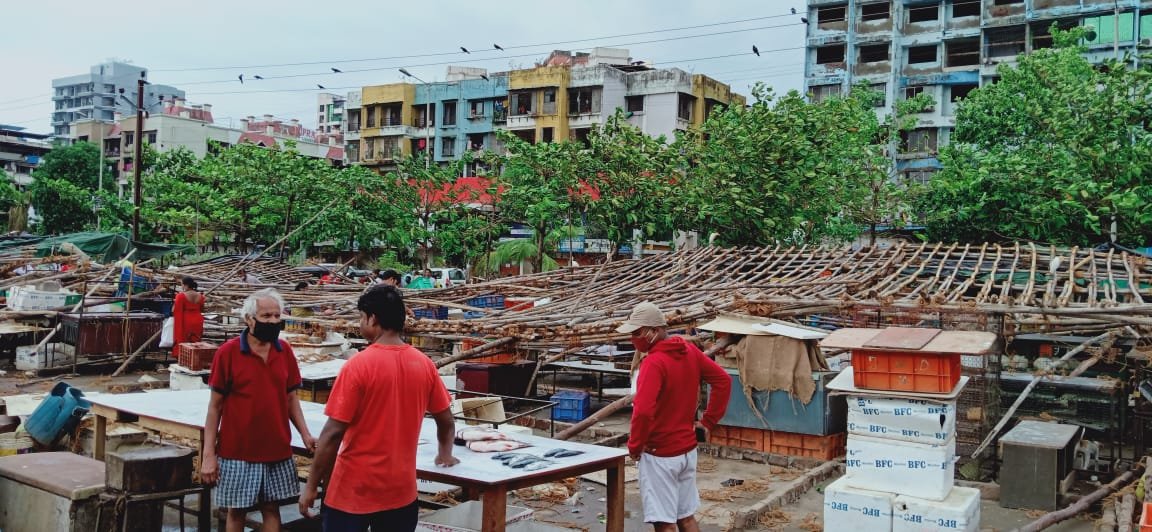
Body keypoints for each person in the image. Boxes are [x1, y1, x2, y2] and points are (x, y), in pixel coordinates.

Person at [300, 285, 459, 529]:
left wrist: (311, 486)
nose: (360, 324)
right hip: (400, 493)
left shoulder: (359, 366)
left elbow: (332, 434)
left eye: (361, 318)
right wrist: (444, 453)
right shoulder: (424, 365)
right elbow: (446, 420)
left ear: (372, 319)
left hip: (353, 493)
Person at [202, 288, 316, 532]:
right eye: (266, 316)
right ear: (249, 319)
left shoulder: (284, 351)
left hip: (276, 448)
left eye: (277, 316)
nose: (273, 321)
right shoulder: (228, 353)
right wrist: (209, 455)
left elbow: (291, 398)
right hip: (237, 450)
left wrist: (305, 434)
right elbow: (215, 408)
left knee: (271, 508)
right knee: (236, 511)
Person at [619, 301, 732, 532]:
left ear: (655, 331)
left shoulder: (653, 363)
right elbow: (723, 381)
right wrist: (708, 421)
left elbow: (642, 411)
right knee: (686, 517)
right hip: (687, 450)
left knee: (665, 523)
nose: (633, 339)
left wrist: (634, 446)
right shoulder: (688, 350)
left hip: (659, 453)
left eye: (637, 333)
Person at [171, 277, 205, 357]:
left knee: (185, 340)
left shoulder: (181, 296)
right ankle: (195, 357)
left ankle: (184, 357)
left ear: (185, 285)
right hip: (197, 319)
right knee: (195, 339)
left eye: (182, 284)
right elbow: (202, 309)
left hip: (186, 319)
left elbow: (174, 310)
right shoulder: (200, 296)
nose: (182, 286)